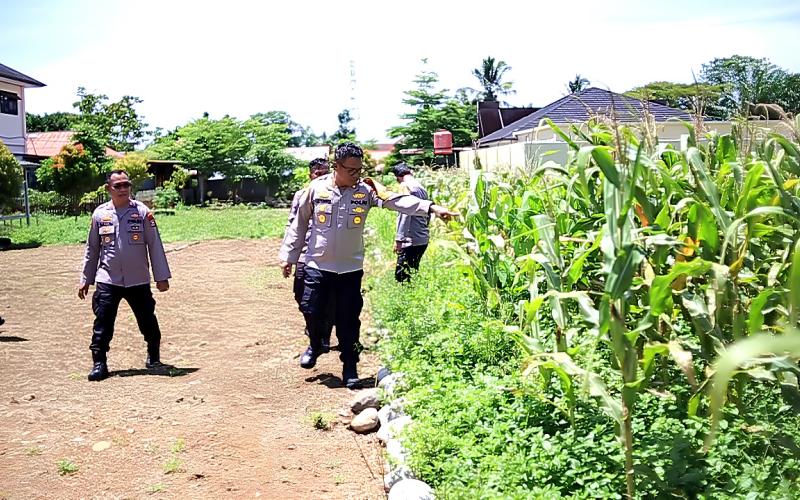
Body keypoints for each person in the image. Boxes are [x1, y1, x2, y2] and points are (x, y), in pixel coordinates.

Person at [279, 143, 457, 389]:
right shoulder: (316, 189)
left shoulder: (367, 190)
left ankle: (350, 367)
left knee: (348, 320)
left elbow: (397, 201)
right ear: (336, 167)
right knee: (310, 307)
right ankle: (316, 343)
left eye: (359, 169)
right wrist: (289, 255)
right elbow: (298, 225)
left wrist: (431, 207)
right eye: (351, 170)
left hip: (349, 269)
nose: (356, 175)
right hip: (317, 264)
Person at [78, 170, 172, 381]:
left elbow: (154, 245)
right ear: (108, 189)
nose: (123, 189)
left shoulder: (142, 212)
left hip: (138, 278)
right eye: (117, 186)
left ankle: (154, 356)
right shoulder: (100, 214)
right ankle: (99, 363)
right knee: (103, 322)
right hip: (108, 279)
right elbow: (92, 248)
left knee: (147, 319)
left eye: (126, 185)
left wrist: (161, 276)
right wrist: (86, 278)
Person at [284, 157, 333, 351]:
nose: (321, 178)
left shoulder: (335, 194)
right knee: (301, 295)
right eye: (317, 174)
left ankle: (324, 336)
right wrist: (289, 256)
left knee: (329, 298)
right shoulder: (302, 194)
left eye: (325, 174)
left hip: (327, 255)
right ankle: (313, 327)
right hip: (305, 254)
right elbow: (292, 224)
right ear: (310, 175)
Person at [391, 163, 430, 282]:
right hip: (422, 236)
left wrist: (399, 239)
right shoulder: (420, 186)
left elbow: (405, 214)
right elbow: (427, 209)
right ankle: (414, 292)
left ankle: (408, 297)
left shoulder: (406, 186)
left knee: (402, 275)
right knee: (412, 270)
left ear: (398, 177)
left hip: (411, 239)